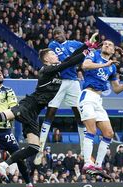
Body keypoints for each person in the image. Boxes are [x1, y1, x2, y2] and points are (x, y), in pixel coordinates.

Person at [0, 34, 99, 181]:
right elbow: (69, 63)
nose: (55, 54)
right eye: (52, 53)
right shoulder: (46, 70)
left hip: (34, 113)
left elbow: (70, 59)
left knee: (34, 148)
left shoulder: (56, 68)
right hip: (27, 105)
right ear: (47, 59)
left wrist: (86, 45)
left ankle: (3, 165)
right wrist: (86, 51)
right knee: (2, 116)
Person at [79, 39, 123, 177]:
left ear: (113, 50)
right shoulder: (94, 55)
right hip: (87, 96)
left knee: (109, 133)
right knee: (91, 130)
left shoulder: (112, 67)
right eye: (105, 44)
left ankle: (97, 165)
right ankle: (87, 163)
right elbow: (85, 65)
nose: (107, 45)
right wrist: (104, 64)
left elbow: (116, 89)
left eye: (110, 44)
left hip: (98, 100)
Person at [35, 27, 88, 164]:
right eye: (54, 34)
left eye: (59, 33)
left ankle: (84, 150)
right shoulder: (53, 45)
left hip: (73, 82)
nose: (57, 36)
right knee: (51, 112)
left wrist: (89, 46)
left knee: (79, 114)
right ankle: (40, 148)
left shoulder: (74, 44)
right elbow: (67, 60)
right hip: (59, 81)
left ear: (65, 34)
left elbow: (82, 51)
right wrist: (81, 53)